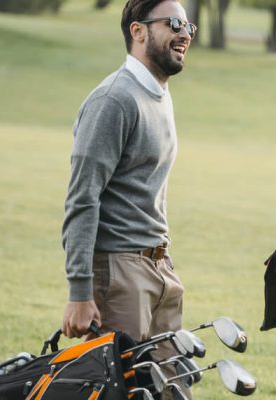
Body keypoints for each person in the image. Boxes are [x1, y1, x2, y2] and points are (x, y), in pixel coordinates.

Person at [61, 0, 194, 397]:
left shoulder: (157, 94)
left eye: (189, 25)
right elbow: (82, 198)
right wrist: (80, 292)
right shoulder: (114, 100)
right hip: (119, 275)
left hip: (159, 269)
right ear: (138, 32)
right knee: (121, 389)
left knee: (172, 387)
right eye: (173, 23)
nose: (185, 34)